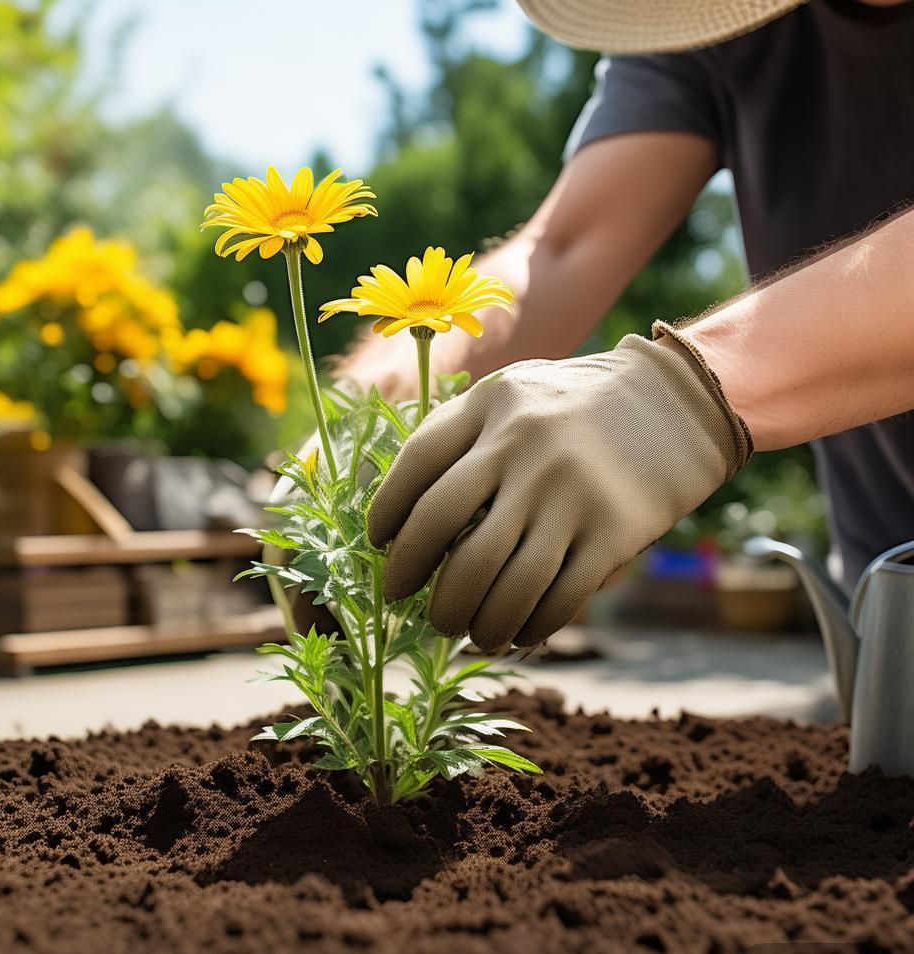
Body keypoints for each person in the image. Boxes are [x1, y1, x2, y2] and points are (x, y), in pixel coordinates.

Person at [338, 0, 914, 651]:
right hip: (893, 618)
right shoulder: (709, 17)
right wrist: (363, 418)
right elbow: (563, 250)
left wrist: (684, 394)